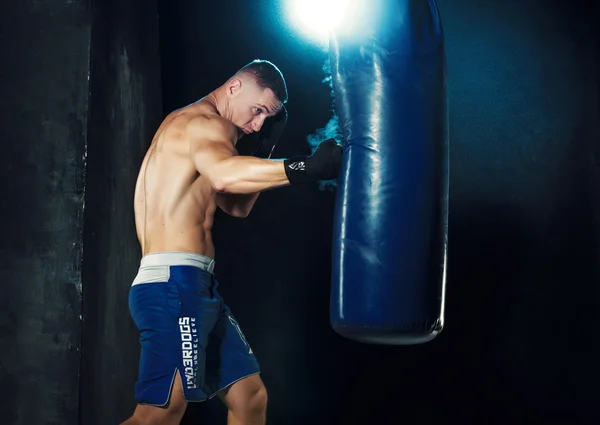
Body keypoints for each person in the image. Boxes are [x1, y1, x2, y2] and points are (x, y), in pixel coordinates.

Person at [122, 59, 343, 425]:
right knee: (158, 415)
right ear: (235, 87)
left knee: (249, 398)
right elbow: (226, 177)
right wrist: (305, 167)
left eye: (265, 120)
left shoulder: (203, 133)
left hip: (196, 286)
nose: (257, 124)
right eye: (258, 111)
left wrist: (265, 150)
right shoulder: (205, 123)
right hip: (174, 285)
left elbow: (236, 205)